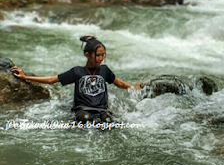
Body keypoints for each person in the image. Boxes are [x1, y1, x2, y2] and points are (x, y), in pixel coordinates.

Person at [11, 36, 141, 124]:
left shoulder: (105, 71)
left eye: (103, 55)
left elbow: (119, 83)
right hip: (82, 109)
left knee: (107, 121)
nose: (101, 58)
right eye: (98, 55)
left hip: (102, 109)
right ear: (87, 55)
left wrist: (132, 87)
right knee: (84, 118)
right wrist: (25, 77)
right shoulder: (77, 72)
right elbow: (52, 79)